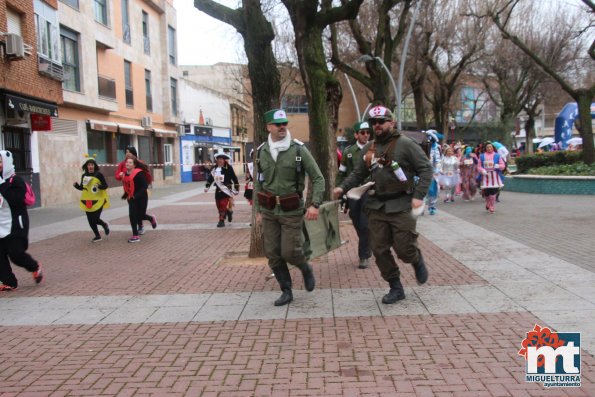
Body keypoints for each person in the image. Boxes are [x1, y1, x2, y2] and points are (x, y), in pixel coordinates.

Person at [333, 105, 433, 304]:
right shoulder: (369, 147)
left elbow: (425, 169)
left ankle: (416, 259)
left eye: (381, 121)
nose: (377, 125)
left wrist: (419, 195)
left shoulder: (405, 144)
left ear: (392, 123)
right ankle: (395, 287)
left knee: (404, 249)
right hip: (376, 206)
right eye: (373, 122)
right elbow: (357, 173)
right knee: (378, 249)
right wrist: (342, 188)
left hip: (401, 205)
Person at [254, 108, 325, 306]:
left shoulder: (299, 150)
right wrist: (258, 210)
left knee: (289, 251)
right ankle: (286, 290)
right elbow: (258, 182)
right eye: (278, 124)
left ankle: (305, 268)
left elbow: (318, 178)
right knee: (273, 254)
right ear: (269, 127)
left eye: (284, 123)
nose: (282, 127)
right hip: (269, 211)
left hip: (291, 210)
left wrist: (315, 204)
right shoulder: (262, 152)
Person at [0, 150, 43, 291]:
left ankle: (34, 267)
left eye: (0, 161)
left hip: (16, 224)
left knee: (16, 254)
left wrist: (2, 185)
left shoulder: (15, 180)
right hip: (1, 224)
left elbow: (15, 200)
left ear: (6, 163)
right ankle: (9, 282)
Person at [337, 121, 372, 269]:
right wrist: (339, 191)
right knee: (357, 222)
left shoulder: (374, 149)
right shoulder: (348, 152)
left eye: (367, 132)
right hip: (352, 192)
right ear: (356, 134)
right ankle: (367, 243)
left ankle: (363, 256)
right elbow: (342, 173)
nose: (366, 135)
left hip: (369, 190)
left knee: (364, 225)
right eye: (362, 133)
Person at [73, 155, 110, 242]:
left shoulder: (98, 174)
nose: (90, 166)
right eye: (89, 165)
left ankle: (104, 224)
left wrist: (99, 186)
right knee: (90, 220)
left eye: (92, 165)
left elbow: (105, 186)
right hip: (87, 200)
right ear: (86, 166)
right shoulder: (84, 175)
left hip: (98, 200)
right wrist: (77, 186)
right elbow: (83, 187)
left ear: (94, 166)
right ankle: (97, 235)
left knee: (95, 219)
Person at [122, 157, 157, 242]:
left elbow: (145, 186)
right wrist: (126, 194)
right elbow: (127, 186)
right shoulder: (125, 174)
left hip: (141, 197)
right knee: (132, 215)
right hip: (131, 198)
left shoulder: (139, 173)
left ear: (134, 165)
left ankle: (151, 218)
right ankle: (135, 235)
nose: (128, 164)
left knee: (140, 215)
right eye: (127, 162)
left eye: (130, 163)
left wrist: (136, 195)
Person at [115, 146, 146, 235]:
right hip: (129, 191)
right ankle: (136, 231)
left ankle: (141, 225)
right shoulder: (122, 164)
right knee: (133, 211)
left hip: (139, 192)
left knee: (140, 212)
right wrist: (120, 175)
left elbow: (144, 176)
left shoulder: (138, 163)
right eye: (126, 152)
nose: (127, 153)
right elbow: (117, 176)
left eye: (130, 152)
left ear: (134, 153)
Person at [204, 152, 240, 227]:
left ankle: (221, 220)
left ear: (224, 160)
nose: (219, 161)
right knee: (218, 205)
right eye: (218, 159)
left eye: (221, 159)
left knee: (223, 205)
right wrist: (207, 187)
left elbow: (234, 178)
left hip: (226, 190)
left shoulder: (229, 167)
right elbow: (210, 179)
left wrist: (236, 188)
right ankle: (229, 212)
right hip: (218, 190)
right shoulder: (214, 169)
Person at [477, 142, 505, 214]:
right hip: (485, 177)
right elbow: (479, 166)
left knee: (493, 192)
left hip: (495, 176)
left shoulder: (497, 155)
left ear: (493, 148)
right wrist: (482, 171)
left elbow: (503, 165)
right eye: (487, 147)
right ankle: (488, 203)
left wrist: (498, 166)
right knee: (486, 192)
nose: (489, 148)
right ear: (485, 148)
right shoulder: (482, 156)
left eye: (490, 147)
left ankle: (492, 206)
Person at [424, 131, 441, 215]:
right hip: (421, 172)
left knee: (433, 190)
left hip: (432, 172)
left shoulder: (436, 147)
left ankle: (432, 206)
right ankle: (421, 207)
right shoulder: (419, 147)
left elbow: (437, 160)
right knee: (421, 190)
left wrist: (437, 170)